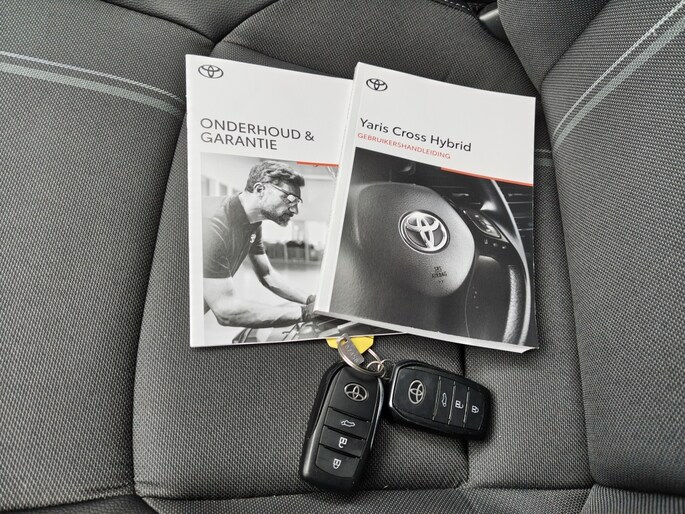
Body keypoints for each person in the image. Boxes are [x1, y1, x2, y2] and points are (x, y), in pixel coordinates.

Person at [202, 160, 316, 328]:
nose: (295, 210)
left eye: (297, 203)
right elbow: (225, 310)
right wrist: (305, 313)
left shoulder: (254, 222)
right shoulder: (213, 223)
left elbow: (267, 275)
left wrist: (311, 300)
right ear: (260, 190)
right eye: (290, 199)